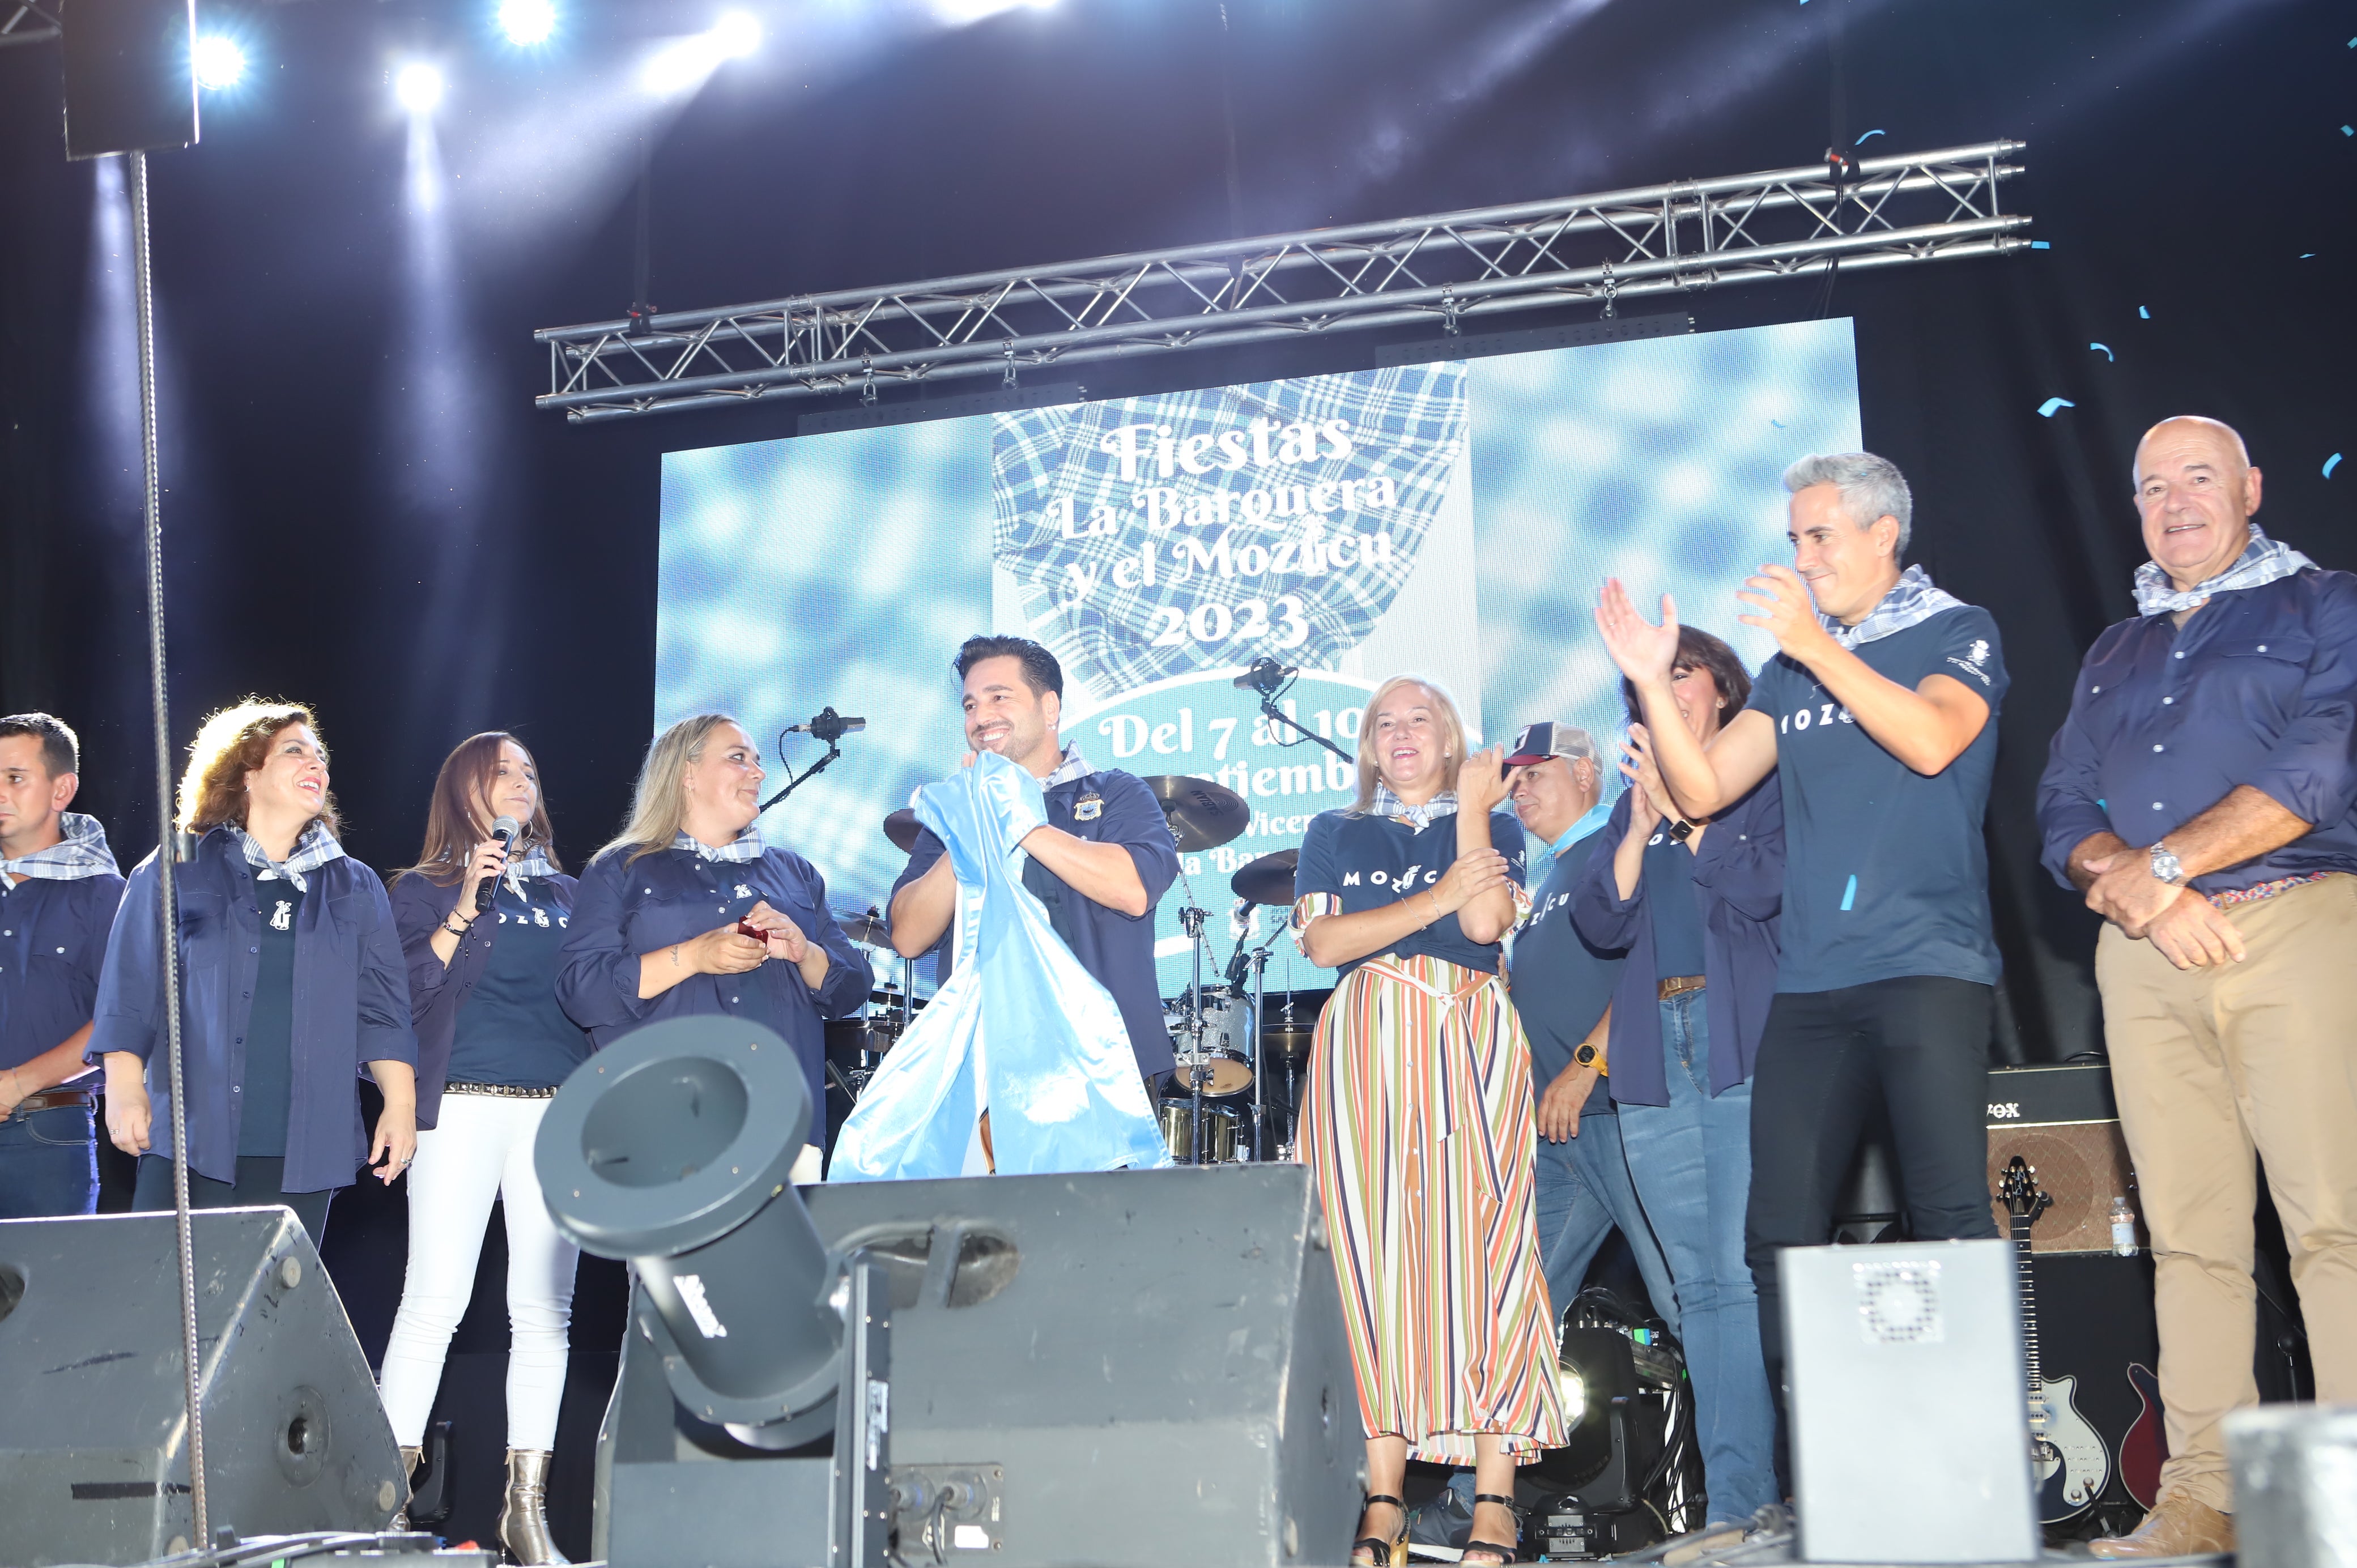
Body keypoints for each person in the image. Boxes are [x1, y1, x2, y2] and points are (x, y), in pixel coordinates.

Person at [1596, 452, 2008, 1482]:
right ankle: (1822, 1487)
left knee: (1950, 1211)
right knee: (1775, 1232)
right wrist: (1652, 680)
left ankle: (1976, 1475)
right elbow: (1699, 793)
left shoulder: (1958, 631)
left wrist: (1820, 647)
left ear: (1883, 535)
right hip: (1814, 985)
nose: (1802, 556)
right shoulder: (1788, 672)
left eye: (1819, 535)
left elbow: (1930, 742)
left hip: (1927, 966)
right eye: (1793, 538)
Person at [2036, 416, 2357, 1560]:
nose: (2174, 502)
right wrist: (2141, 896)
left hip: (2294, 921)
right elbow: (2062, 808)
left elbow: (2321, 765)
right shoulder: (2113, 650)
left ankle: (2348, 1502)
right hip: (2144, 955)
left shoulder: (2325, 604)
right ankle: (2201, 1494)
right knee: (2189, 1239)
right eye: (2151, 486)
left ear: (2251, 489)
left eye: (2198, 479)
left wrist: (2163, 867)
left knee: (2333, 1226)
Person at [1292, 675, 1565, 1568]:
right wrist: (1436, 895)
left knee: (1486, 1247)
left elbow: (1486, 919)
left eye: (1421, 719)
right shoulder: (1334, 831)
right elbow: (1327, 945)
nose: (1401, 733)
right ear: (1369, 747)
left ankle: (1494, 1502)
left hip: (1468, 1027)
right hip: (1364, 1038)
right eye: (1384, 724)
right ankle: (1383, 1500)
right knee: (1367, 1259)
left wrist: (1475, 820)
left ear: (1452, 740)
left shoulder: (1493, 826)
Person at [1420, 719, 1679, 1558]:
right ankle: (1470, 1500)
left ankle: (1748, 1493)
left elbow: (1651, 959)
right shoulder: (1546, 882)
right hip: (1560, 1139)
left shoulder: (1619, 840)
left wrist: (1586, 1062)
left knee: (1693, 1301)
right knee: (1513, 1314)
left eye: (1538, 774)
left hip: (1626, 1113)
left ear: (1590, 771)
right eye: (1515, 779)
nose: (1522, 789)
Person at [1571, 630, 1783, 1524]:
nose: (1660, 697)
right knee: (1698, 1289)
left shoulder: (1766, 777)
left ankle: (1755, 1498)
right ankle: (1738, 1509)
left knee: (1738, 1275)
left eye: (1678, 675)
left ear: (1723, 691)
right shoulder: (1634, 808)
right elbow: (1599, 919)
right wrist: (1648, 820)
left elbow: (1769, 887)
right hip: (1653, 1056)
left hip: (1740, 1038)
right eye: (1644, 691)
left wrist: (1690, 817)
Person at [90, 701, 418, 1243]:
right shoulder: (178, 860)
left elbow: (383, 1008)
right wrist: (124, 1086)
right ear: (247, 771)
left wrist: (400, 1105)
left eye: (320, 757)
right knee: (165, 1317)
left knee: (268, 1320)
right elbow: (131, 986)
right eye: (295, 751)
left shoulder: (354, 883)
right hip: (190, 1138)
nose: (316, 765)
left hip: (306, 1151)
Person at [379, 733, 590, 1565]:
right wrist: (466, 899)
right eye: (504, 770)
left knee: (545, 1313)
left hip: (557, 1113)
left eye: (532, 772)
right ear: (464, 786)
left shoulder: (574, 894)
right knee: (435, 1302)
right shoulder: (422, 889)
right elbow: (399, 993)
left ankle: (525, 1512)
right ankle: (386, 1508)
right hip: (461, 1106)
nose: (522, 783)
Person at [558, 714, 867, 1181]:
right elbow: (582, 990)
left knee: (784, 1258)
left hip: (785, 1128)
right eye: (738, 759)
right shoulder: (622, 869)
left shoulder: (795, 874)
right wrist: (695, 956)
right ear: (687, 774)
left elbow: (852, 987)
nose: (759, 773)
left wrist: (805, 951)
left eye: (758, 762)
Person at [886, 636, 1181, 1114]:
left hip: (1099, 1067)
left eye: (999, 697)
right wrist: (970, 828)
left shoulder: (1117, 792)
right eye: (970, 705)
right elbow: (908, 936)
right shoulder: (955, 817)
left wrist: (1018, 819)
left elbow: (1132, 890)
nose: (981, 718)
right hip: (981, 1067)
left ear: (1050, 708)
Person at [0, 713, 125, 1218]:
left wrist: (17, 1083)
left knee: (50, 1295)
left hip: (46, 1136)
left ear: (62, 789)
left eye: (14, 778)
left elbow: (124, 1018)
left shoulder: (107, 894)